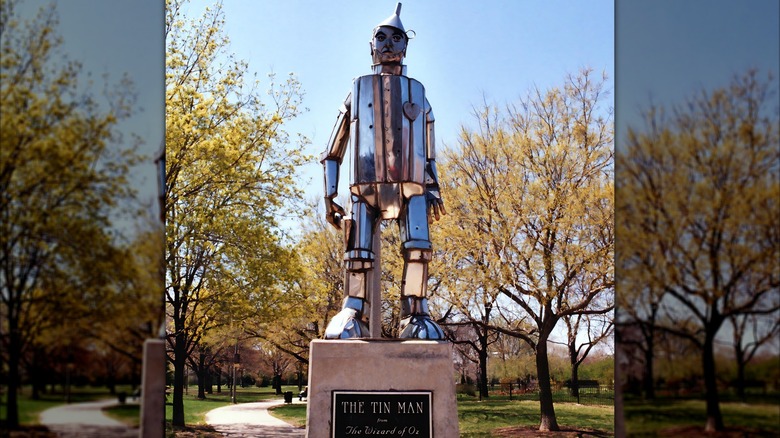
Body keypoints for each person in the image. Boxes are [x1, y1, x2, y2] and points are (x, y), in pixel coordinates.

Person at [320, 3, 445, 339]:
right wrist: (330, 195)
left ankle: (415, 310)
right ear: (371, 45)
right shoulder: (357, 92)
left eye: (397, 38)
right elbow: (333, 149)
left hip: (412, 186)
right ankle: (353, 308)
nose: (388, 43)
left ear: (406, 46)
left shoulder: (420, 95)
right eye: (382, 37)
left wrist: (433, 188)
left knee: (419, 248)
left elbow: (429, 152)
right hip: (365, 185)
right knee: (358, 252)